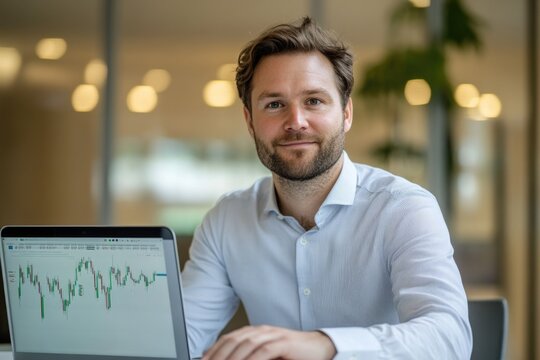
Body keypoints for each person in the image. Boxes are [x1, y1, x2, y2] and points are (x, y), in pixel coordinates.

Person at [181, 17, 472, 360]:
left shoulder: (403, 208)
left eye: (314, 101)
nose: (296, 121)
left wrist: (326, 344)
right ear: (250, 121)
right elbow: (179, 336)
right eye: (274, 104)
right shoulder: (227, 220)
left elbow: (448, 339)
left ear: (346, 113)